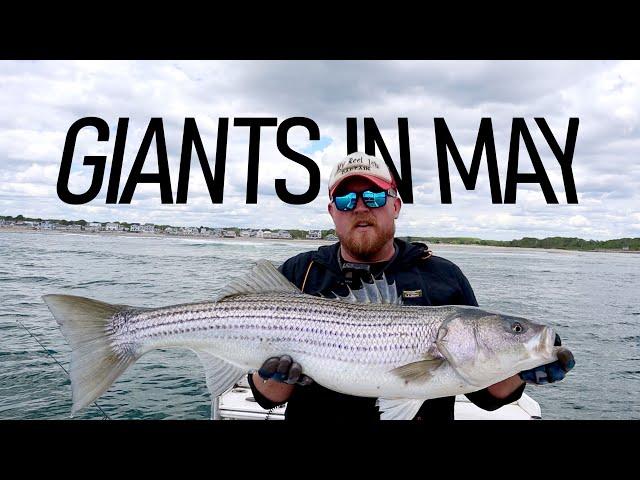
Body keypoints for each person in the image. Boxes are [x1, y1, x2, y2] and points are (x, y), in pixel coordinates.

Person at [247, 151, 575, 421]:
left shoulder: (444, 277)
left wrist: (521, 370)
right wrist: (272, 376)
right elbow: (267, 398)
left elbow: (485, 399)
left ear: (395, 205)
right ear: (333, 212)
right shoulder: (300, 272)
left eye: (374, 196)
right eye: (346, 200)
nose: (360, 207)